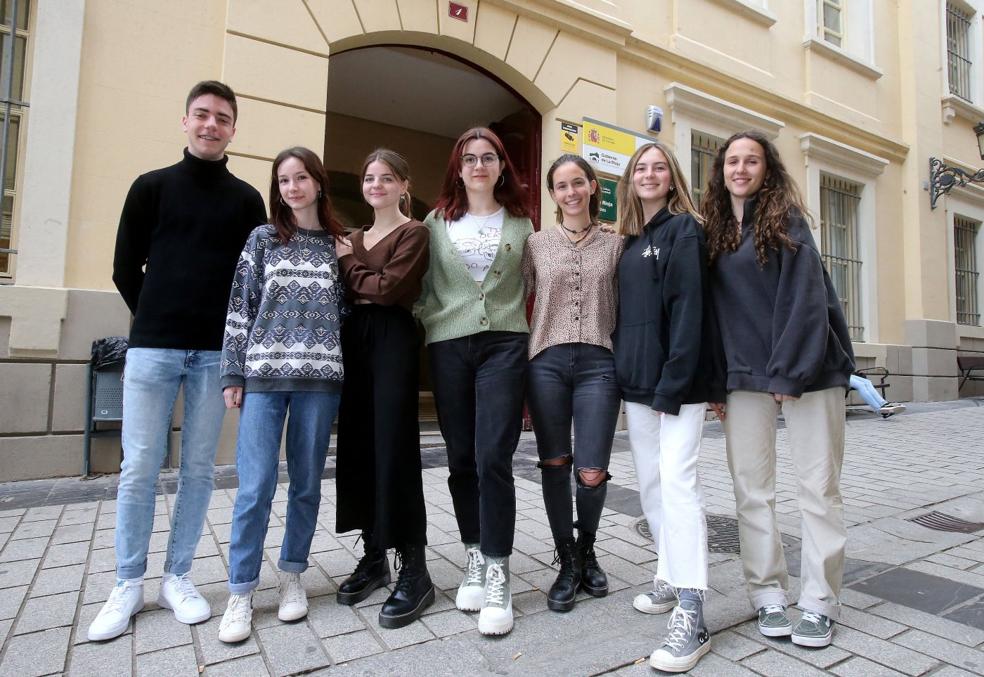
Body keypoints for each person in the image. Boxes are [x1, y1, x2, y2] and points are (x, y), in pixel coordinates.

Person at [90, 81, 266, 642]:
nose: (211, 125)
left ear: (234, 128)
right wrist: (156, 319)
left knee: (198, 469)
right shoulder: (151, 188)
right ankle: (126, 583)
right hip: (153, 349)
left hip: (216, 354)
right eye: (202, 115)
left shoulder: (246, 201)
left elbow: (250, 281)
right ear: (185, 121)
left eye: (222, 118)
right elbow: (123, 266)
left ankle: (178, 575)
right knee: (139, 466)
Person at [702, 130, 855, 649]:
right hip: (744, 374)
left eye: (752, 160)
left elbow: (806, 300)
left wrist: (789, 372)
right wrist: (716, 381)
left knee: (817, 488)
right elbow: (715, 316)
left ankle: (819, 600)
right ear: (720, 169)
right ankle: (767, 591)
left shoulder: (788, 220)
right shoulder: (716, 231)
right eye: (732, 161)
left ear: (767, 169)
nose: (741, 169)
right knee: (752, 490)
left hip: (810, 371)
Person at [216, 147, 346, 643]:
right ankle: (241, 591)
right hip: (263, 379)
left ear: (318, 182)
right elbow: (240, 306)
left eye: (301, 178)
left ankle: (292, 575)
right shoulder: (263, 239)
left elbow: (348, 314)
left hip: (320, 382)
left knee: (307, 484)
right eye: (284, 180)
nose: (292, 187)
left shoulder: (338, 244)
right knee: (254, 487)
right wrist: (233, 372)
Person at [416, 127, 533, 636]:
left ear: (501, 166)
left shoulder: (524, 224)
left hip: (505, 344)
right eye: (470, 159)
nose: (479, 165)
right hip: (448, 347)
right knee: (461, 456)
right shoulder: (436, 221)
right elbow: (419, 285)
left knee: (493, 456)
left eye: (488, 158)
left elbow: (537, 284)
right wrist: (432, 321)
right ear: (458, 169)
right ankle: (474, 555)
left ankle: (499, 570)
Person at [612, 142, 724, 673]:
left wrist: (673, 382)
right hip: (637, 383)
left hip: (677, 386)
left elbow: (688, 311)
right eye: (641, 168)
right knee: (652, 485)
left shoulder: (685, 229)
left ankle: (693, 609)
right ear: (630, 180)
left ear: (673, 177)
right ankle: (669, 573)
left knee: (679, 485)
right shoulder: (631, 241)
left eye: (659, 167)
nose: (649, 174)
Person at [333, 149, 433, 628]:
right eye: (369, 177)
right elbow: (363, 290)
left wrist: (352, 266)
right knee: (358, 446)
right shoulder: (352, 236)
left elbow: (388, 290)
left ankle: (415, 569)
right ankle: (375, 556)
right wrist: (361, 272)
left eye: (386, 177)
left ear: (403, 185)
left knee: (394, 447)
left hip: (393, 340)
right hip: (354, 343)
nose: (376, 185)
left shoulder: (414, 233)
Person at [522, 154, 622, 613]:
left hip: (600, 363)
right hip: (546, 363)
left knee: (592, 469)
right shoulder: (535, 244)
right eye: (561, 186)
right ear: (553, 194)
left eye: (577, 182)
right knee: (555, 463)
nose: (571, 192)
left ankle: (588, 549)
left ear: (591, 186)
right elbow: (513, 301)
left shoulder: (617, 244)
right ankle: (567, 560)